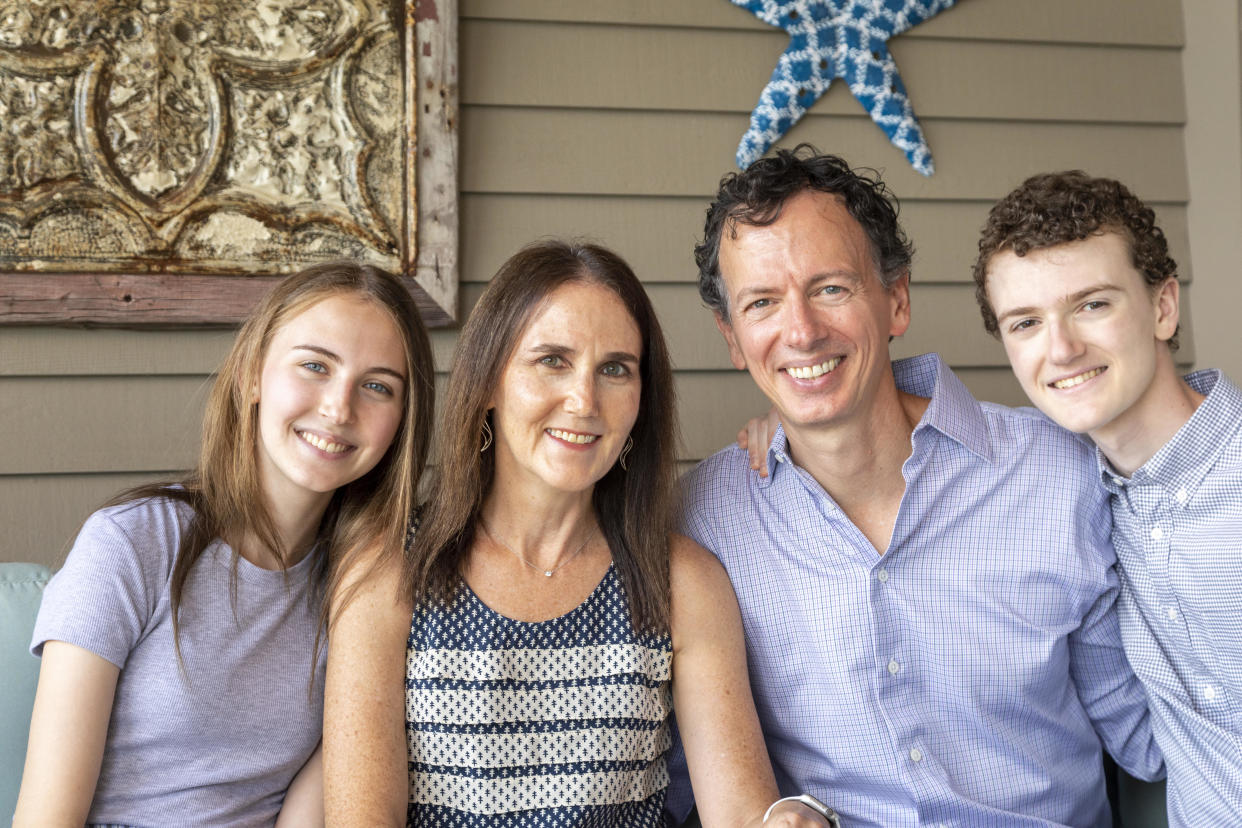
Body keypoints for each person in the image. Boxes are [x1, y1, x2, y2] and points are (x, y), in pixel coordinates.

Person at [670, 145, 1163, 827]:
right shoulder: (705, 522)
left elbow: (1149, 736)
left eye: (831, 288)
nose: (803, 332)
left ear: (896, 300)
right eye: (762, 303)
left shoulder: (1057, 472)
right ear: (733, 337)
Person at [323, 241, 836, 827]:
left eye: (615, 369)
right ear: (489, 381)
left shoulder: (681, 582)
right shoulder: (391, 570)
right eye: (552, 360)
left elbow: (744, 816)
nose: (584, 400)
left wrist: (794, 818)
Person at [14, 261, 436, 827]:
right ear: (251, 376)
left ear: (403, 419)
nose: (339, 408)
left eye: (377, 386)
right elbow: (46, 819)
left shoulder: (366, 585)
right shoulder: (133, 540)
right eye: (315, 366)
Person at [972, 171, 1242, 826]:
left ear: (1163, 307)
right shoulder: (1064, 491)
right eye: (1027, 322)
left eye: (1092, 304)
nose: (1061, 349)